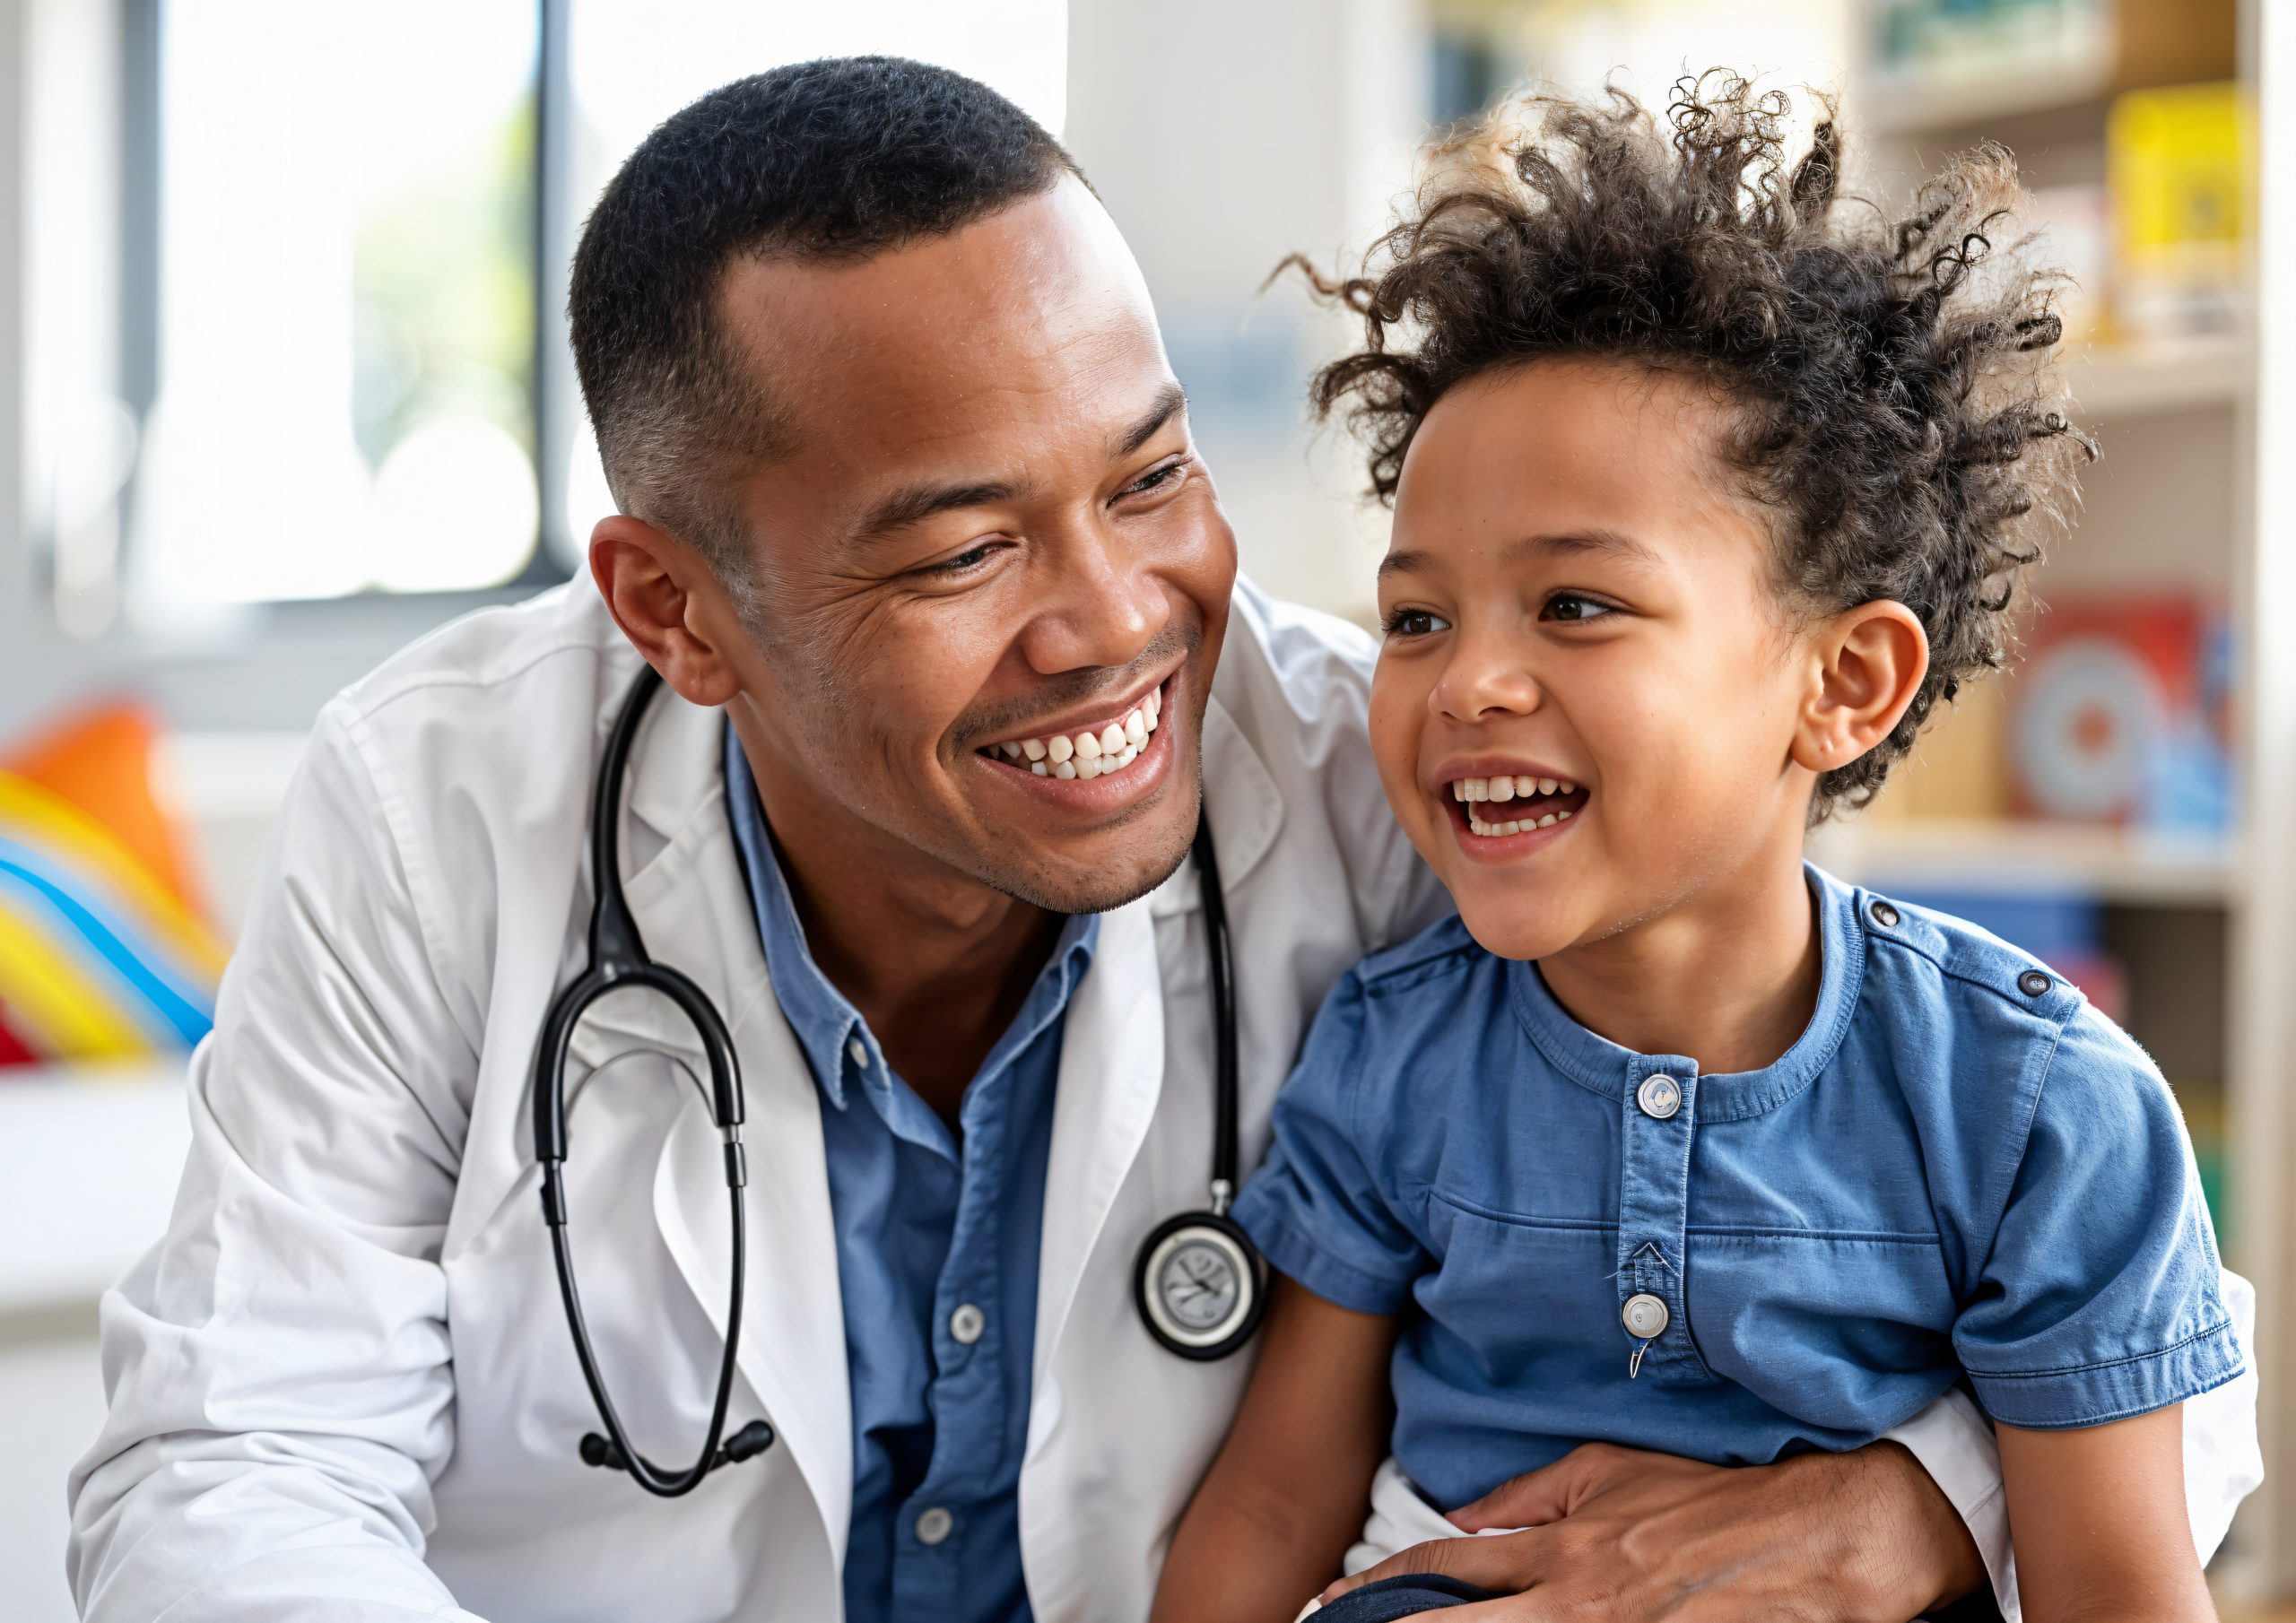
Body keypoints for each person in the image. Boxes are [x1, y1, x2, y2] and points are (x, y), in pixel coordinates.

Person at [66, 58, 2257, 1623]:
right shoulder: (440, 803)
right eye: (958, 549)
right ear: (678, 610)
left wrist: (1911, 1503)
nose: (1116, 624)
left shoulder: (1393, 776)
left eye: (1145, 478)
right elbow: (229, 1467)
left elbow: (2118, 1310)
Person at [1151, 79, 2248, 1623]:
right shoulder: (1393, 1055)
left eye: (1575, 604)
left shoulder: (2039, 1112)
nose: (1468, 682)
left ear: (1843, 682)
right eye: (1417, 616)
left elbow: (2118, 1592)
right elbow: (1274, 1500)